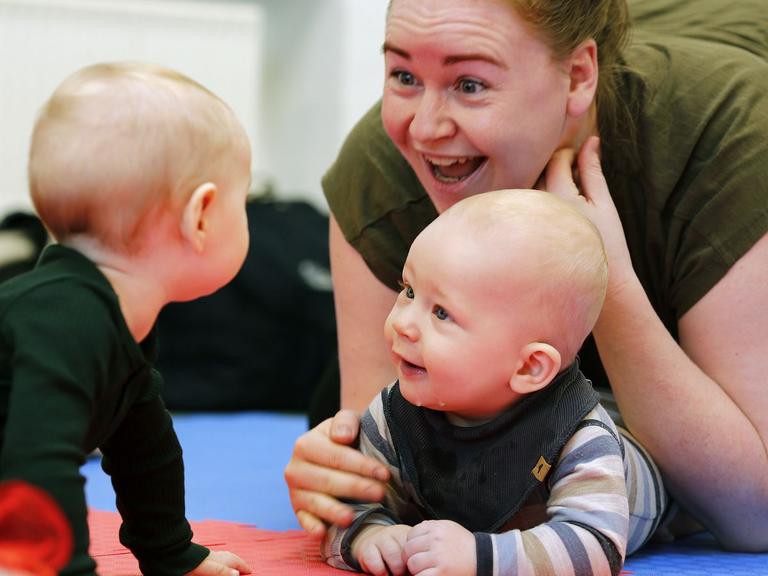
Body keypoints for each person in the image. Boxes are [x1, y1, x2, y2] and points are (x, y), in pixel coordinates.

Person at [284, 0, 768, 553]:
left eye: (469, 84)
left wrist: (603, 275)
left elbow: (753, 517)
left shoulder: (724, 133)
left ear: (579, 76)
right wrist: (338, 479)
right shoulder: (385, 161)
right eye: (403, 75)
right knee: (332, 403)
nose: (424, 127)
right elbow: (392, 475)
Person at [321, 190, 665, 576]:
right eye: (409, 291)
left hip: (652, 480)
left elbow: (595, 547)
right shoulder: (392, 414)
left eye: (441, 313)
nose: (403, 322)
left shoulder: (580, 436)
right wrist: (369, 534)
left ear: (530, 367)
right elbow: (343, 503)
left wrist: (480, 557)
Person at [0, 62, 253, 575]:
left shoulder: (117, 324)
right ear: (200, 217)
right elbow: (36, 462)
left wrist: (172, 554)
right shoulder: (64, 324)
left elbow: (145, 453)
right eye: (242, 201)